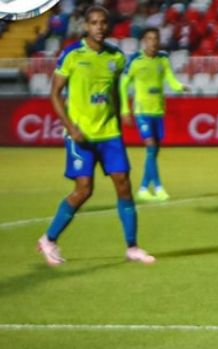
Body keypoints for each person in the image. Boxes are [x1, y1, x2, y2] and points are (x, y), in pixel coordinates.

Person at [37, 5, 155, 266]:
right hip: (81, 135)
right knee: (83, 190)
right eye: (94, 23)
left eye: (103, 22)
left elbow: (114, 90)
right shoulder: (72, 55)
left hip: (109, 132)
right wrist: (70, 126)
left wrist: (120, 113)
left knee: (124, 185)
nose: (99, 27)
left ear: (108, 26)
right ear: (86, 26)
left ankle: (132, 247)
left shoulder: (116, 57)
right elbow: (54, 94)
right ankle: (49, 239)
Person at [120, 27, 188, 202]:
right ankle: (158, 187)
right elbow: (123, 85)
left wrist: (179, 86)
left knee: (153, 152)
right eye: (149, 38)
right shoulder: (135, 60)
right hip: (142, 111)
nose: (153, 42)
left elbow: (170, 78)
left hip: (158, 111)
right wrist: (125, 110)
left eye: (155, 39)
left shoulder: (163, 59)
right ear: (144, 41)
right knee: (150, 146)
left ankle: (143, 188)